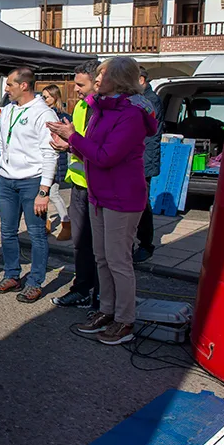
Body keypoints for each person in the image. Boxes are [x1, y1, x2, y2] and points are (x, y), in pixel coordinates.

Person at [48, 57, 157, 345]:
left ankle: (125, 320)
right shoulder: (101, 108)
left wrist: (74, 137)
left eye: (102, 75)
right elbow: (93, 151)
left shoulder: (131, 114)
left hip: (122, 196)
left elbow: (107, 156)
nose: (96, 80)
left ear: (119, 80)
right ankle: (106, 311)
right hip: (99, 193)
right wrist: (69, 145)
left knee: (119, 261)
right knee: (102, 257)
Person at [0, 67, 59, 303]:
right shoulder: (8, 110)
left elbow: (50, 153)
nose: (6, 89)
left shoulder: (44, 113)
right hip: (7, 180)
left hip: (32, 181)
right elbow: (3, 141)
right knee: (7, 231)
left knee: (37, 233)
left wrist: (44, 190)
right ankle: (11, 275)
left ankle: (35, 282)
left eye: (10, 84)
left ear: (24, 85)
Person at [50, 60, 102, 310]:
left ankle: (101, 296)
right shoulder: (81, 106)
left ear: (97, 82)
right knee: (81, 243)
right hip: (80, 185)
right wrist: (67, 142)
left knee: (101, 248)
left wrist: (70, 143)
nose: (76, 89)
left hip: (100, 187)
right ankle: (81, 289)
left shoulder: (106, 111)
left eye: (81, 84)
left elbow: (99, 152)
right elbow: (80, 143)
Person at [133, 66, 164, 264]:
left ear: (141, 80)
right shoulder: (140, 99)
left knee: (142, 204)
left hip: (144, 159)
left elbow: (146, 133)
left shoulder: (149, 100)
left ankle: (145, 244)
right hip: (139, 158)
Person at [41, 84, 72, 241]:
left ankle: (66, 223)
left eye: (46, 97)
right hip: (41, 160)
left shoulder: (61, 116)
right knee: (43, 193)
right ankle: (45, 222)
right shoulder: (41, 113)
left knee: (53, 193)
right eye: (42, 97)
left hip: (56, 160)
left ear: (55, 97)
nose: (44, 100)